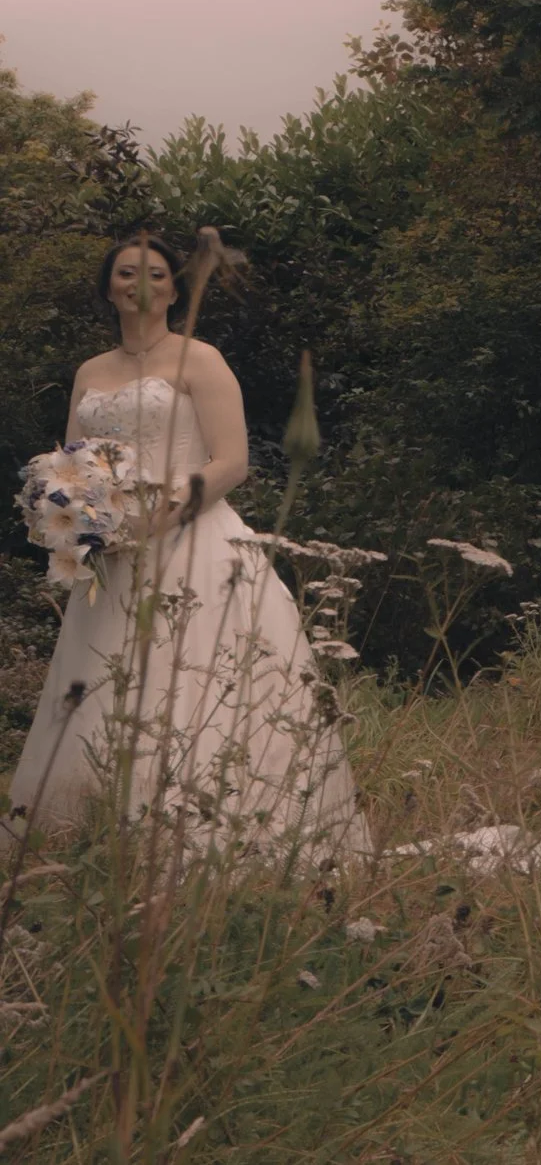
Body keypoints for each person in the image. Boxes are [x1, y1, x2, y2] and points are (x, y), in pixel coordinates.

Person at [5, 233, 369, 857]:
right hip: (109, 562)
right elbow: (70, 462)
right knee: (102, 686)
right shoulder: (90, 372)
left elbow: (232, 462)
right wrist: (75, 514)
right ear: (107, 288)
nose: (137, 283)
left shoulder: (199, 359)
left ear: (173, 288)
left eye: (153, 273)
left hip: (196, 544)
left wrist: (153, 520)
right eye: (124, 273)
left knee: (196, 685)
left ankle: (212, 843)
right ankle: (100, 844)